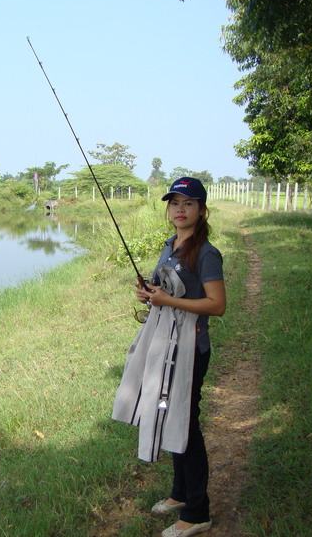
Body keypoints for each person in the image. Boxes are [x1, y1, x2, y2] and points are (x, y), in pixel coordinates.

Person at [135, 177, 226, 537]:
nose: (180, 209)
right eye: (174, 203)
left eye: (188, 203)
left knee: (185, 425)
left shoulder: (206, 252)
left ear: (202, 210)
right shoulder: (170, 244)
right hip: (168, 344)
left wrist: (168, 300)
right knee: (170, 416)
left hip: (191, 349)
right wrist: (149, 294)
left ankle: (197, 512)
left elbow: (217, 305)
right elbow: (169, 289)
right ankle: (178, 494)